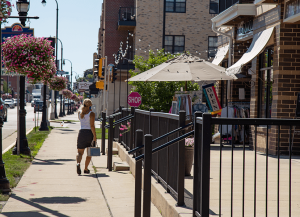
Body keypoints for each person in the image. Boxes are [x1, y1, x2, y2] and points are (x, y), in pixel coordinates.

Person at [76, 99, 96, 175]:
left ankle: (78, 163)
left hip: (81, 133)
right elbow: (92, 126)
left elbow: (81, 121)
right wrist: (94, 136)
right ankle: (86, 168)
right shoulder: (91, 114)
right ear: (90, 106)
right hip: (89, 133)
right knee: (89, 153)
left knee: (79, 152)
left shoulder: (79, 113)